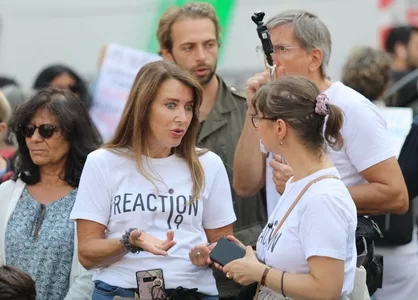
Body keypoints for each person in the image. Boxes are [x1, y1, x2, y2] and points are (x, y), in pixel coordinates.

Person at [70, 60, 236, 300]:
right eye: (171, 105)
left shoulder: (208, 164)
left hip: (192, 292)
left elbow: (225, 247)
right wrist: (129, 241)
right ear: (143, 107)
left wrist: (206, 255)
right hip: (122, 292)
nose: (182, 117)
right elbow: (86, 254)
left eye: (188, 107)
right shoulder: (102, 162)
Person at [234, 9, 407, 223]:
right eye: (267, 50)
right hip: (279, 252)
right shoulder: (271, 105)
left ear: (314, 58)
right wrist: (253, 111)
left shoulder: (352, 108)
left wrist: (306, 187)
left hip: (330, 251)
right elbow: (244, 185)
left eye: (280, 49)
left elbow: (396, 196)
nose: (271, 60)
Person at [157, 4, 267, 298]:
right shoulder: (149, 122)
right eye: (188, 47)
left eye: (209, 44)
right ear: (166, 53)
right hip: (172, 273)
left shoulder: (250, 109)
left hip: (239, 276)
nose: (202, 56)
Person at [215, 76, 357, 299]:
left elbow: (326, 289)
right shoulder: (297, 183)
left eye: (259, 119)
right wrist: (248, 261)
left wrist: (260, 273)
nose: (257, 127)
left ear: (280, 128)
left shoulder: (323, 199)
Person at [0, 88, 102, 300]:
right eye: (29, 130)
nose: (35, 138)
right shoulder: (6, 193)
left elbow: (89, 275)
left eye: (46, 130)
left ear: (72, 133)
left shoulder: (93, 195)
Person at [342, 46, 418, 300]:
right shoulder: (405, 121)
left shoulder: (335, 120)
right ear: (385, 84)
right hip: (400, 241)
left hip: (350, 240)